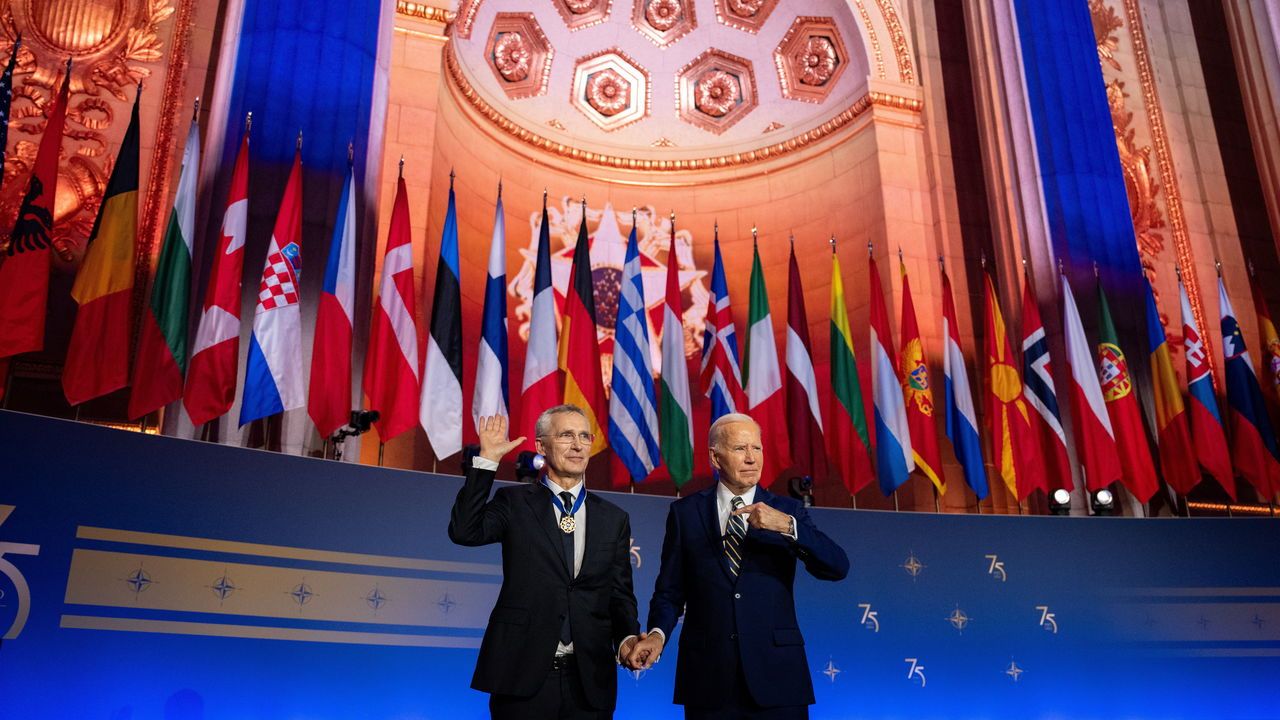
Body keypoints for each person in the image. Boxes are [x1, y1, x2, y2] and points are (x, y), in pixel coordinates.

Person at [626, 413, 849, 719]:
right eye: (739, 449)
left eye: (756, 449)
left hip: (778, 677)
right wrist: (656, 635)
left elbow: (837, 567)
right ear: (715, 458)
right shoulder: (686, 513)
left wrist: (787, 526)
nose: (751, 458)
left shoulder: (787, 510)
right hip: (708, 678)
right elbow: (670, 590)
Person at [449, 406, 641, 720]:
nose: (578, 445)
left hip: (589, 682)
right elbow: (464, 531)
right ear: (541, 446)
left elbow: (619, 595)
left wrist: (627, 639)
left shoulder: (614, 518)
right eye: (566, 435)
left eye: (584, 436)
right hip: (522, 677)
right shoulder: (514, 503)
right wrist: (487, 462)